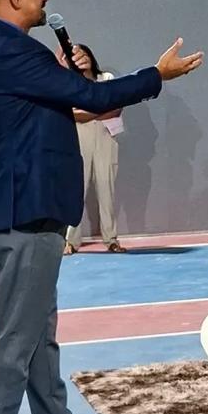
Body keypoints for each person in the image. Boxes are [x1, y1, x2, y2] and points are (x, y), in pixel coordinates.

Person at [0, 0, 203, 414]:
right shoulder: (11, 49)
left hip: (20, 206)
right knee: (16, 337)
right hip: (27, 208)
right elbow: (92, 95)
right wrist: (156, 76)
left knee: (37, 330)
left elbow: (60, 108)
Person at [62, 43, 127, 255]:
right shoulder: (70, 84)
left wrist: (87, 111)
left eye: (86, 53)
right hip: (79, 139)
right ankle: (71, 241)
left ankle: (111, 239)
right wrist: (98, 109)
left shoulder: (106, 79)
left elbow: (115, 107)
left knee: (106, 188)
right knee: (76, 190)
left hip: (105, 137)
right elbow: (70, 114)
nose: (83, 58)